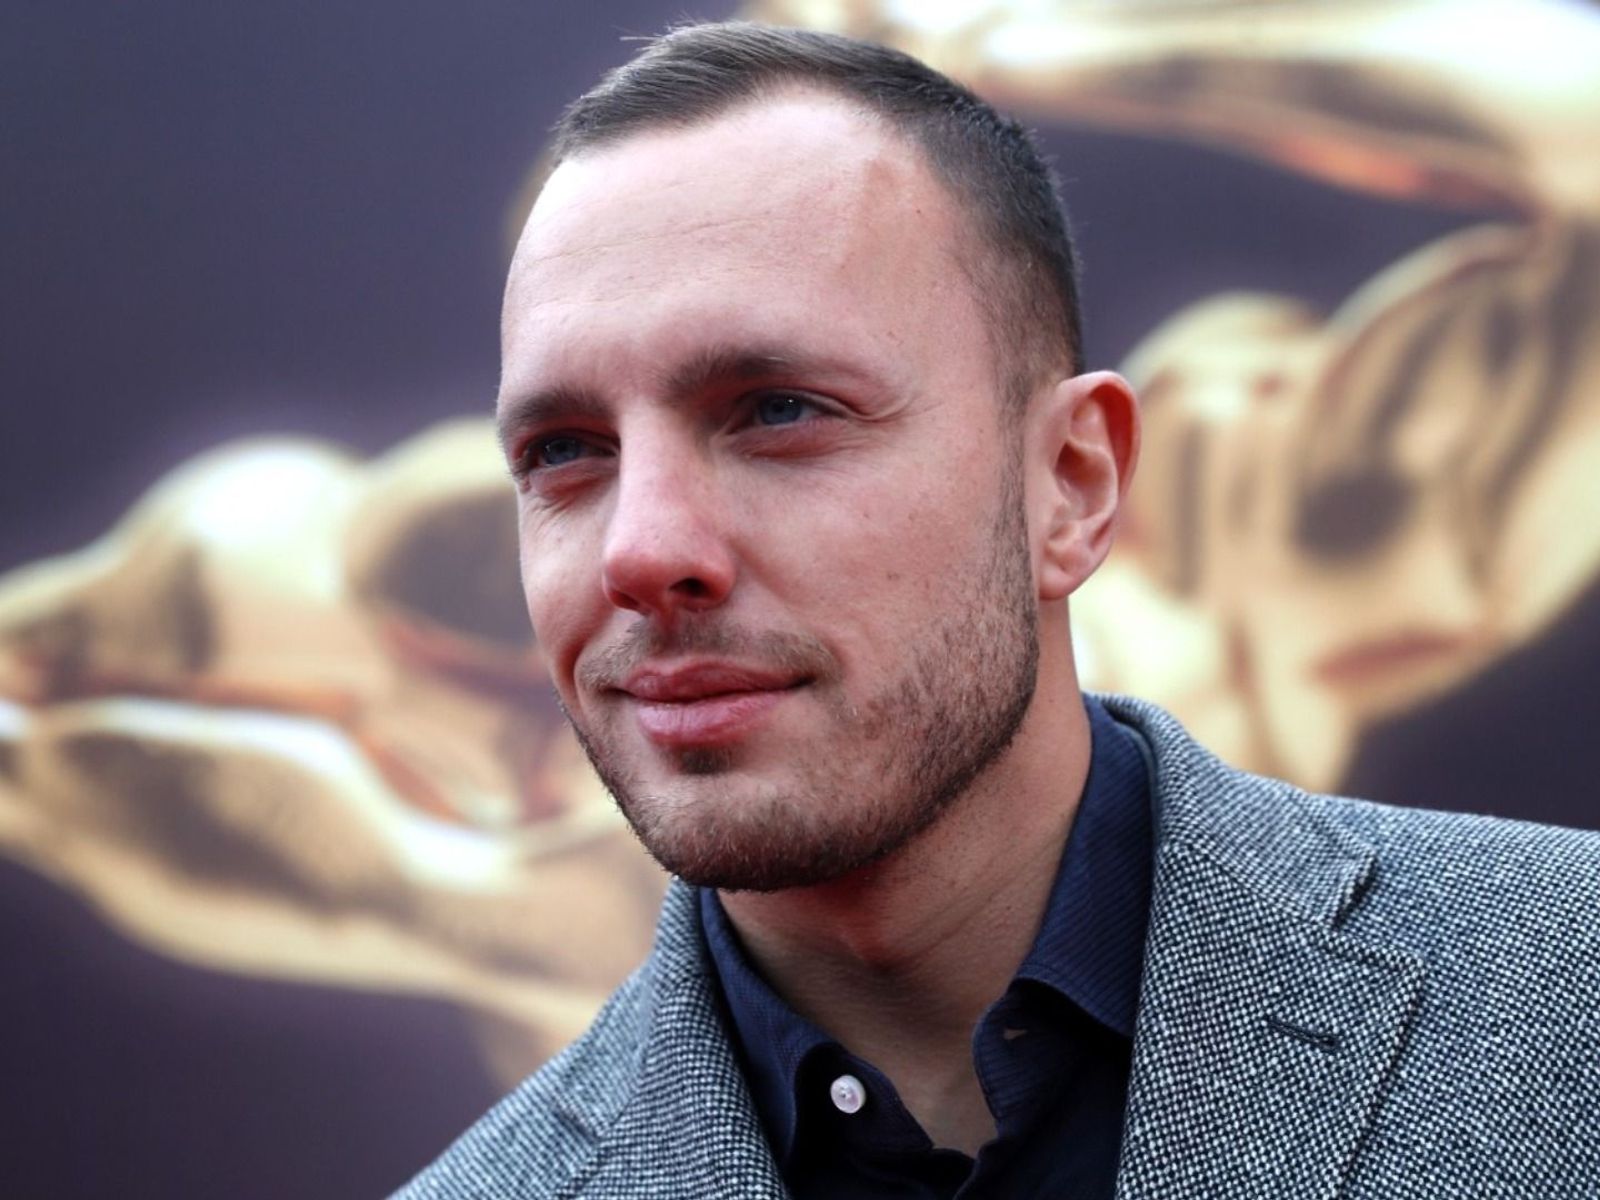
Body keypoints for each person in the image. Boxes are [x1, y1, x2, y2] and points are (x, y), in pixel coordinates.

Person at [399, 22, 1600, 1198]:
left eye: (779, 410)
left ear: (1071, 482)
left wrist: (1013, 47)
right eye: (563, 449)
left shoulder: (1562, 995)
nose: (641, 548)